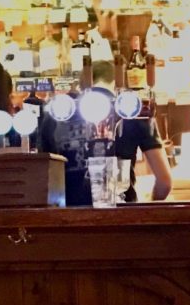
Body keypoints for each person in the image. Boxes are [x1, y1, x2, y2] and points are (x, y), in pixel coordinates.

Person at [39, 61, 172, 205]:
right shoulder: (134, 111)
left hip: (70, 217)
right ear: (118, 83)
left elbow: (41, 178)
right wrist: (148, 210)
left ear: (82, 83)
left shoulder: (57, 113)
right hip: (123, 216)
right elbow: (164, 182)